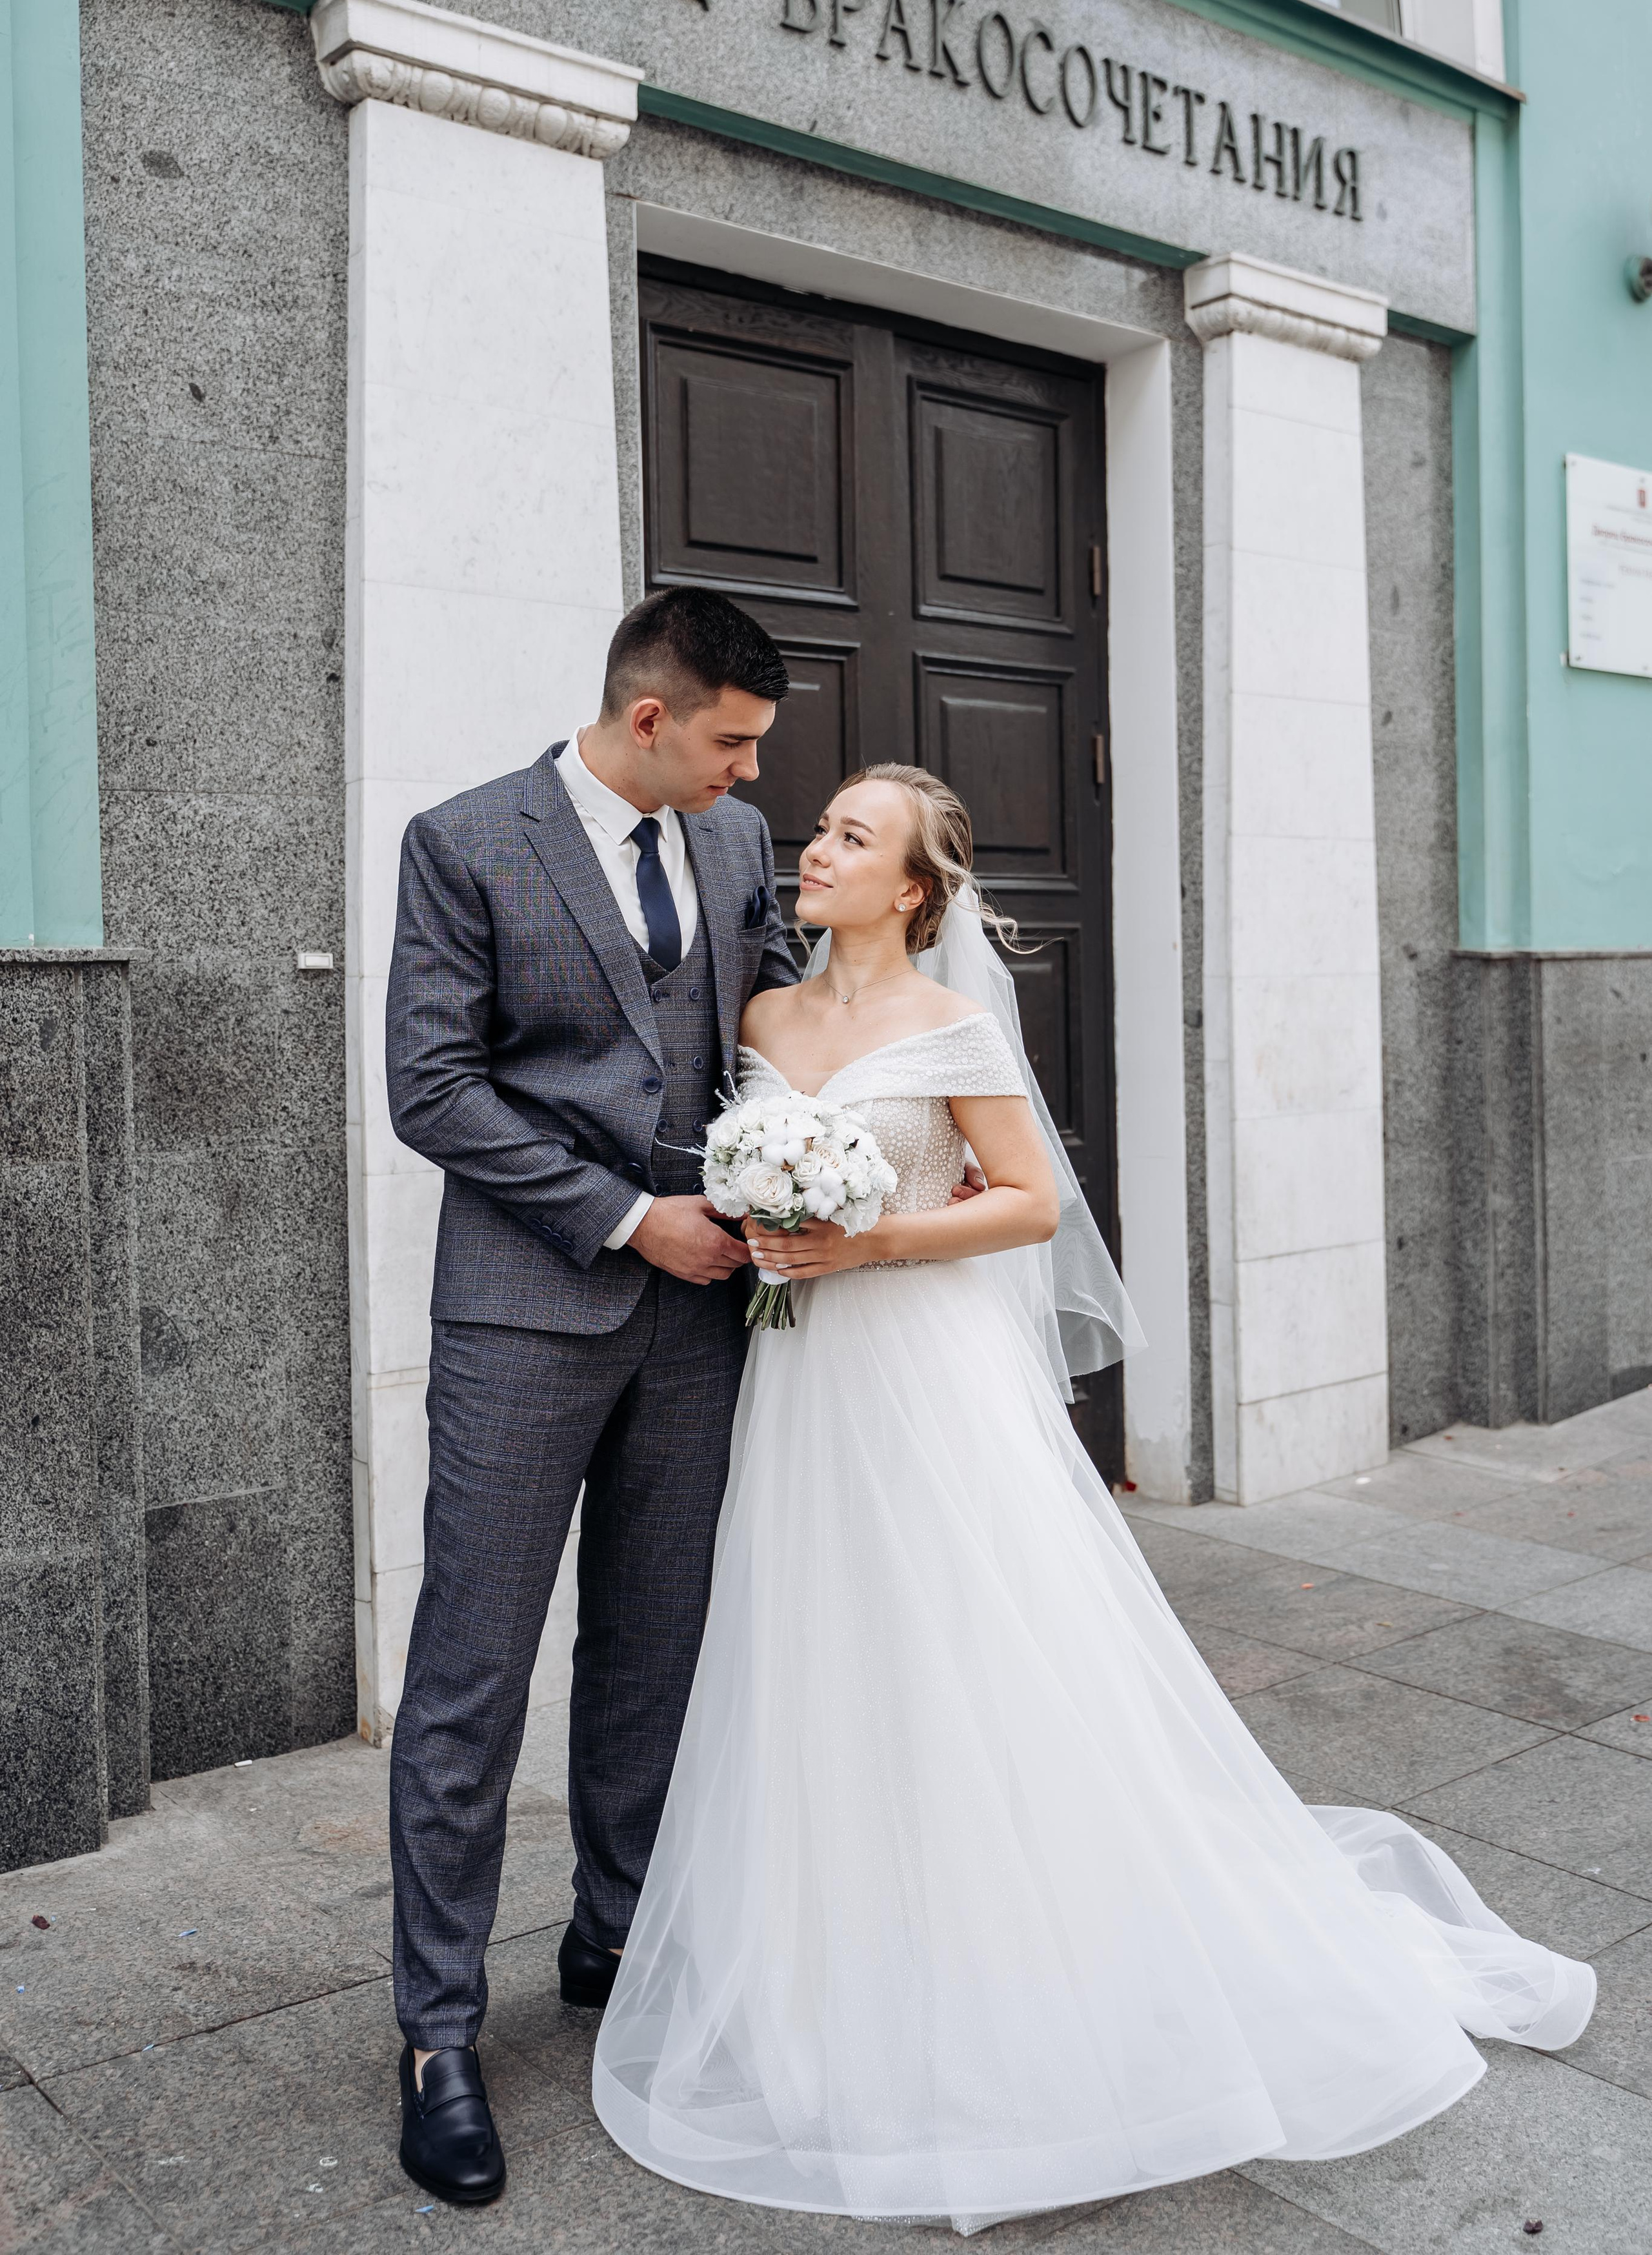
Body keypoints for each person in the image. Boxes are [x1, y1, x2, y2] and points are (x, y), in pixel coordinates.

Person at [591, 762, 1597, 2238]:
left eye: (849, 839)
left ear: (914, 889)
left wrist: (865, 1244)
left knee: (969, 1646)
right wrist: (768, 1213)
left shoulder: (947, 1027)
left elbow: (1029, 1204)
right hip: (802, 1388)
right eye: (819, 829)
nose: (813, 850)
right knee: (827, 1647)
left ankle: (1016, 1950)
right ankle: (840, 1950)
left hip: (919, 1370)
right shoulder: (760, 1018)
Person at [382, 587, 798, 2205]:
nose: (751, 778)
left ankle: (611, 1934)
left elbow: (763, 1033)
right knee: (471, 1675)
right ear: (650, 719)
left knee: (652, 1646)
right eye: (734, 744)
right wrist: (631, 1220)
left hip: (700, 1323)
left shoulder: (739, 850)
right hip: (524, 1318)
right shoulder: (463, 840)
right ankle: (436, 2033)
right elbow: (433, 1087)